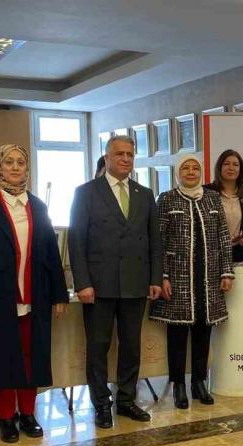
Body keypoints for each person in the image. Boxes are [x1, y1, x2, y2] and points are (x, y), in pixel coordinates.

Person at [0, 145, 69, 443]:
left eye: (20, 162)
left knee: (31, 355)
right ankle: (6, 416)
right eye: (8, 162)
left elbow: (51, 253)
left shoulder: (37, 206)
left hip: (35, 296)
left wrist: (59, 294)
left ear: (27, 168)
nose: (14, 167)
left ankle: (29, 413)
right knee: (1, 357)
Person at [69, 135, 162, 428]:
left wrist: (155, 277)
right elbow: (76, 241)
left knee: (131, 345)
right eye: (119, 154)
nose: (125, 159)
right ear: (107, 158)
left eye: (130, 155)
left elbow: (154, 240)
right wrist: (82, 283)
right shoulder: (86, 192)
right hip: (98, 285)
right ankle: (101, 404)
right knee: (98, 347)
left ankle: (126, 400)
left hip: (135, 282)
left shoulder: (144, 194)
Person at [150, 154, 234, 408]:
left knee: (202, 332)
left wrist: (226, 272)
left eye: (195, 168)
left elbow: (223, 236)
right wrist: (162, 275)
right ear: (178, 172)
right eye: (185, 168)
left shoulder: (212, 198)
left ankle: (199, 382)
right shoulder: (166, 199)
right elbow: (158, 240)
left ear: (201, 172)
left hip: (208, 278)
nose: (190, 172)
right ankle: (178, 385)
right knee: (177, 335)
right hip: (177, 279)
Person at [207, 149, 243, 262]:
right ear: (219, 167)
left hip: (239, 255)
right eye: (226, 164)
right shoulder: (206, 192)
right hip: (212, 255)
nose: (231, 168)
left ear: (240, 170)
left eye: (235, 165)